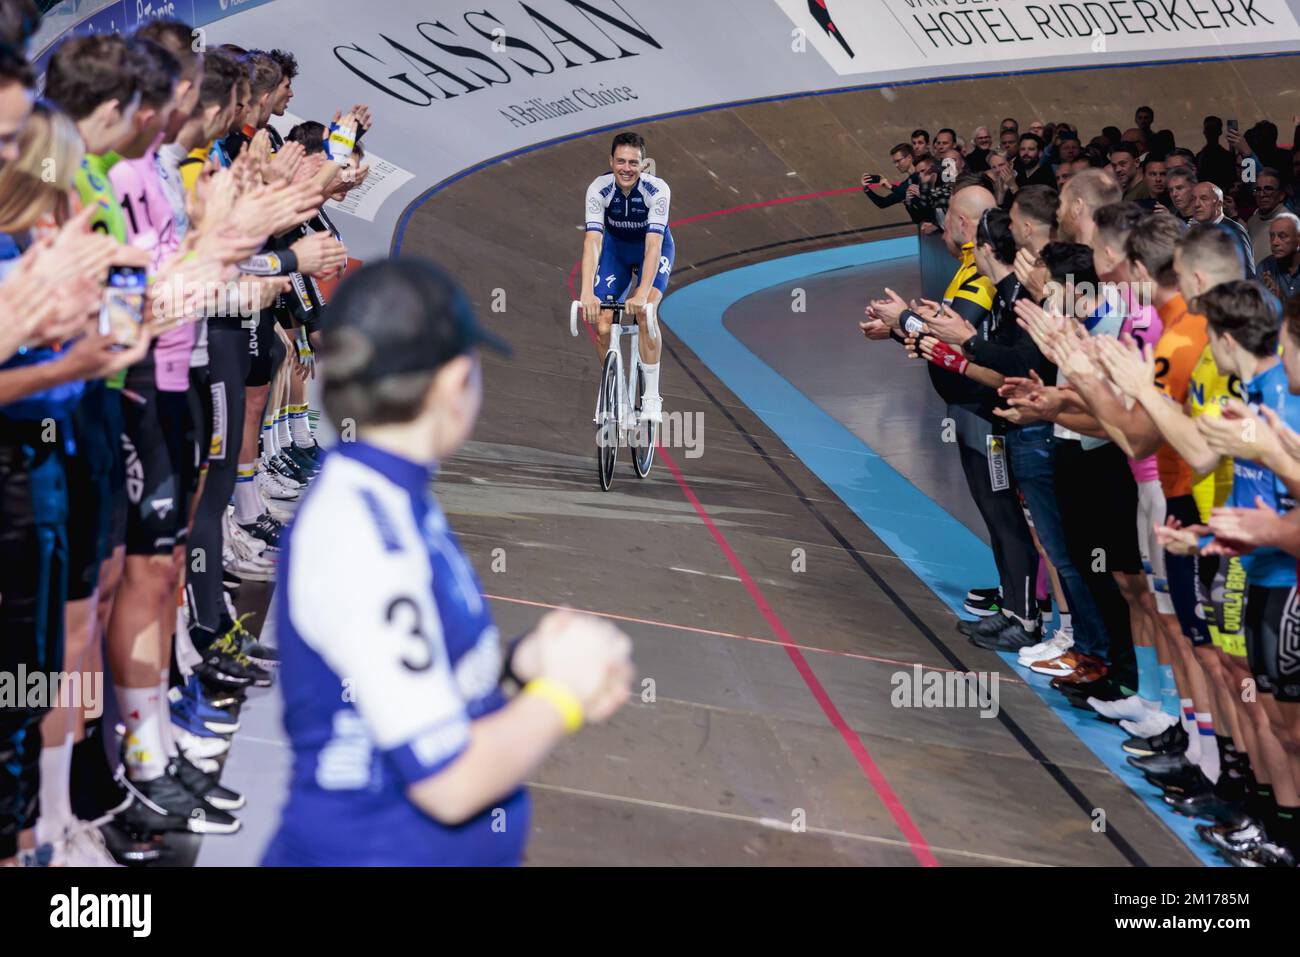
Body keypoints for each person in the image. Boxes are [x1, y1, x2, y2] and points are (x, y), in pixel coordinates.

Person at [263, 259, 633, 865]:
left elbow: (408, 680)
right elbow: (448, 782)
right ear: (453, 383)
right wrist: (562, 693)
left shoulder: (388, 497)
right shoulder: (362, 528)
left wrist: (518, 667)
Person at [579, 131, 673, 424]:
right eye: (621, 161)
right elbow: (593, 241)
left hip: (652, 250)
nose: (626, 168)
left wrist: (643, 292)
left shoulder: (658, 191)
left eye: (633, 162)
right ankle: (617, 394)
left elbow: (654, 245)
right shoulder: (598, 189)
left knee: (645, 314)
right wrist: (586, 292)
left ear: (643, 165)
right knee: (604, 324)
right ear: (611, 161)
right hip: (616, 252)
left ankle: (652, 398)